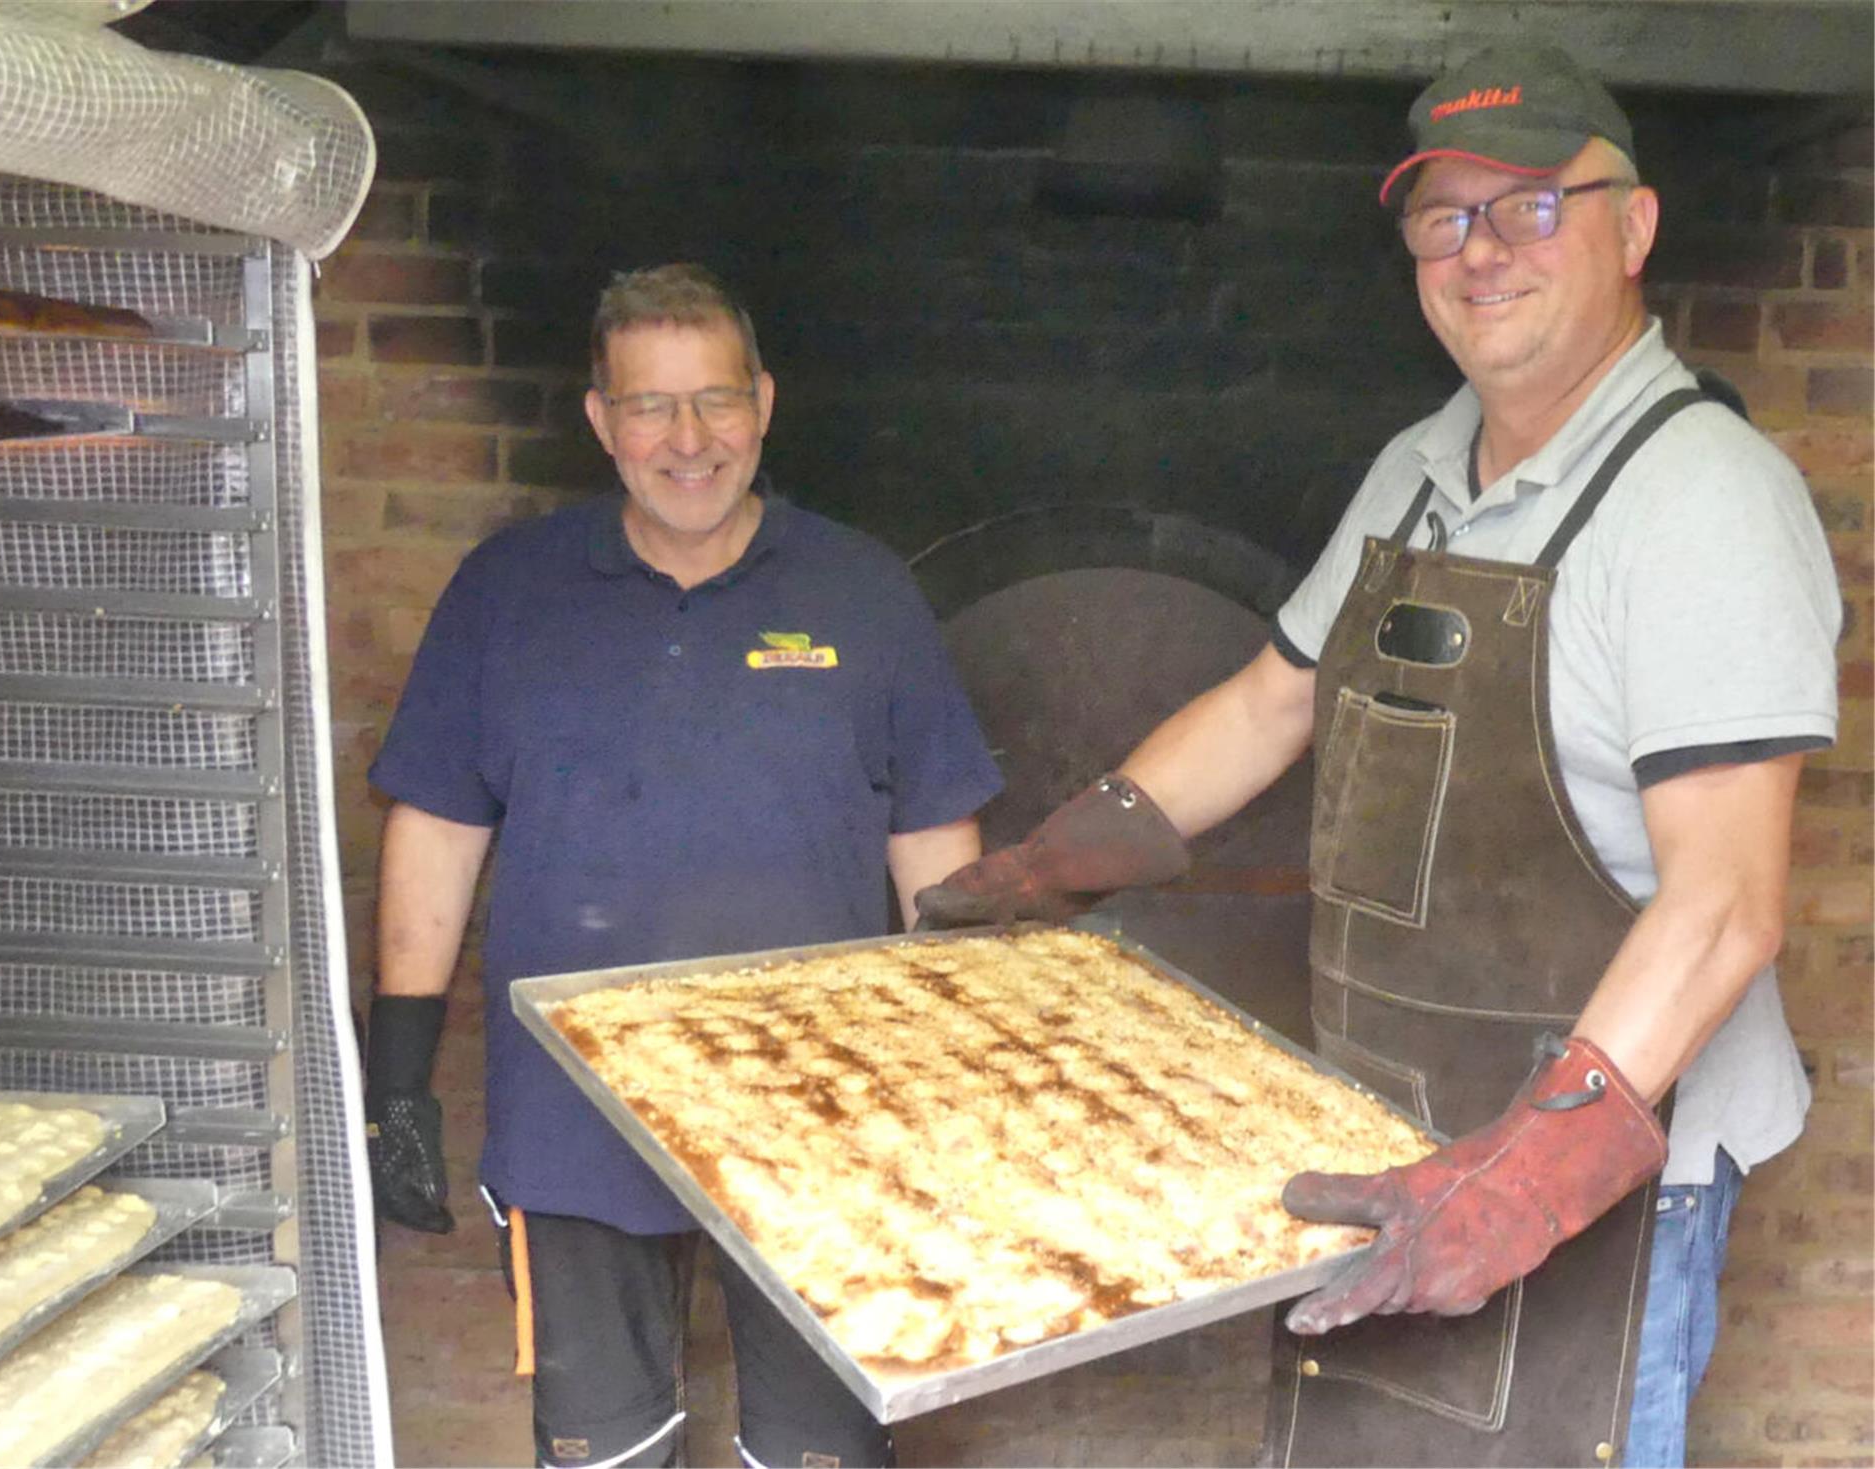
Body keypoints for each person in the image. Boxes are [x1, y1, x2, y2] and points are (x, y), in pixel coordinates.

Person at [918, 44, 1838, 1469]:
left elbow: (1726, 902)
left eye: (1532, 207)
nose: (1483, 254)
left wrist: (1532, 1171)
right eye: (1444, 218)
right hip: (1404, 1119)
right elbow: (1274, 701)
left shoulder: (1704, 504)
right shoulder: (1421, 462)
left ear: (1634, 225)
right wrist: (1063, 857)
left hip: (1601, 1166)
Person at [363, 263, 1001, 1469]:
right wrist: (399, 1073)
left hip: (825, 1116)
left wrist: (954, 1078)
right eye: (650, 406)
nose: (689, 439)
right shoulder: (508, 592)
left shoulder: (863, 592)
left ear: (763, 404)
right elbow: (438, 827)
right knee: (601, 1450)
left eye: (715, 401)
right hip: (575, 1109)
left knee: (823, 1453)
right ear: (602, 421)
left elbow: (933, 840)